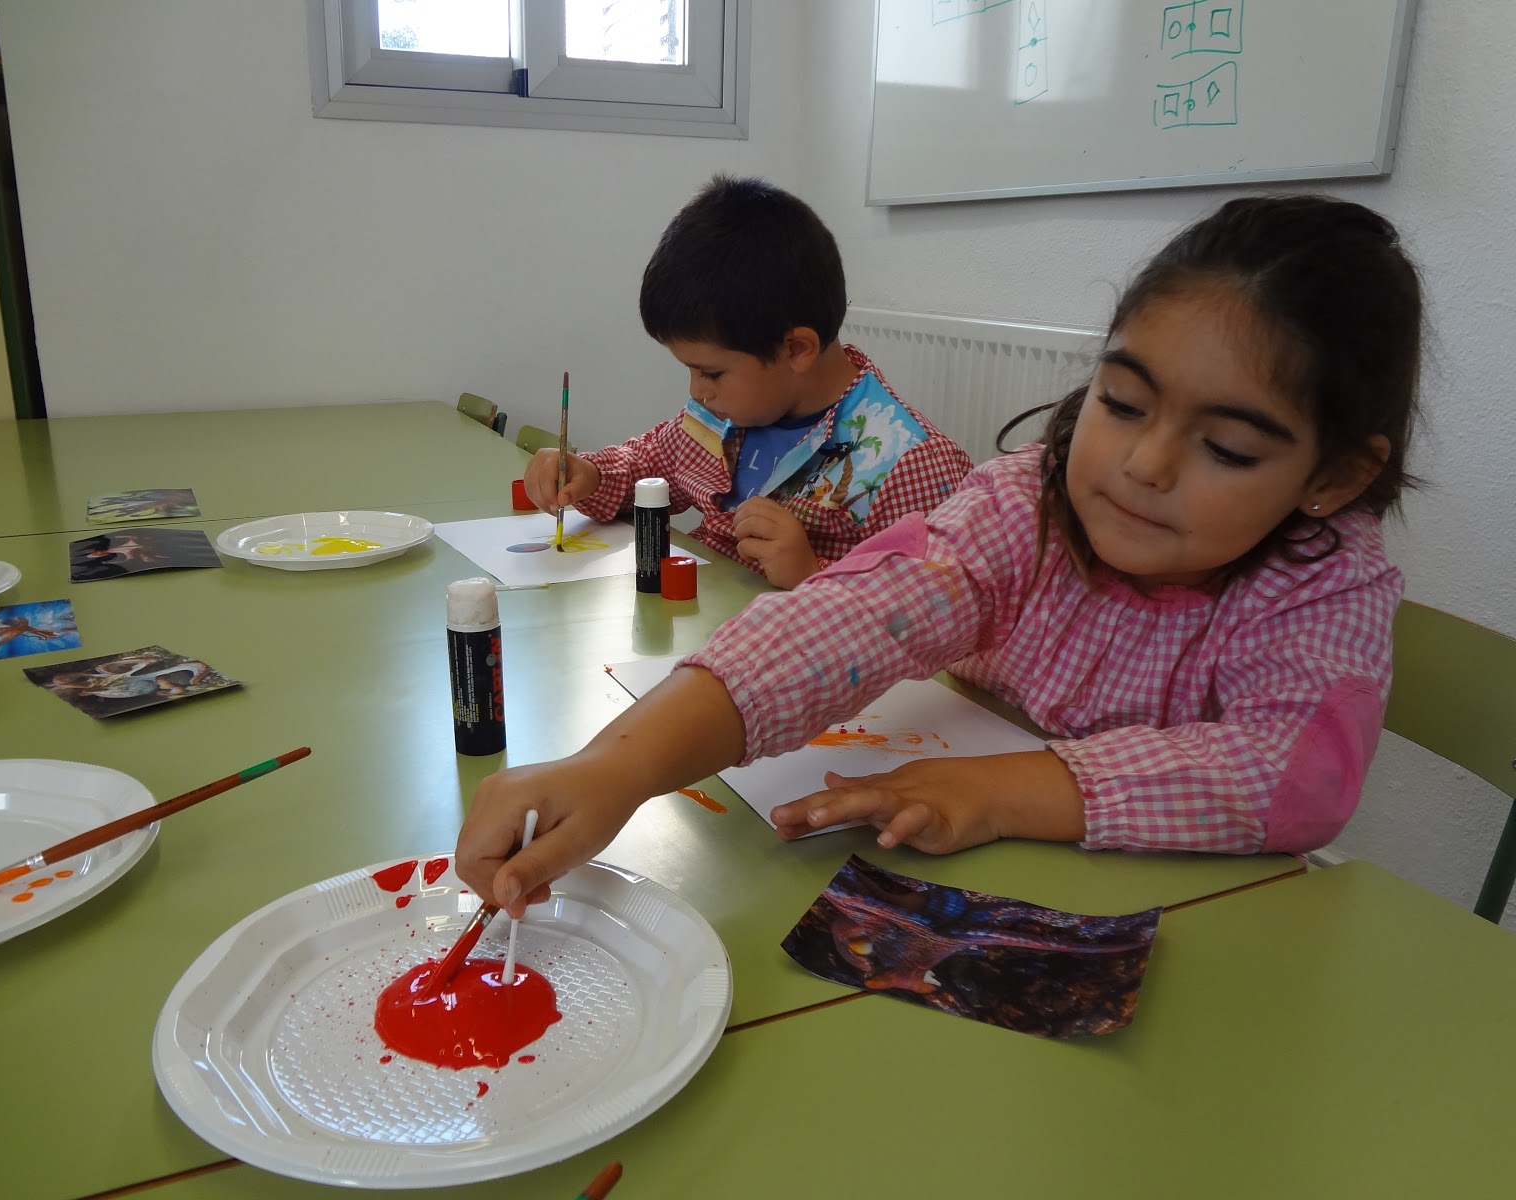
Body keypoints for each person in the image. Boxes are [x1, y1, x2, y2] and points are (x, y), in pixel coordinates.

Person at [466, 194, 1423, 916]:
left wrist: (1001, 791)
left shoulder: (1329, 578)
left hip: (1183, 916)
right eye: (1123, 403)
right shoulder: (1025, 501)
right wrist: (621, 767)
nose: (1144, 464)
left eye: (1228, 449)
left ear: (1334, 477)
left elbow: (1294, 775)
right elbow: (852, 616)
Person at [522, 174, 973, 590]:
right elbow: (648, 464)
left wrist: (811, 574)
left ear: (796, 350)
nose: (697, 391)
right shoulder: (727, 411)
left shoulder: (911, 463)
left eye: (711, 372)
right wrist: (591, 474)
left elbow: (936, 608)